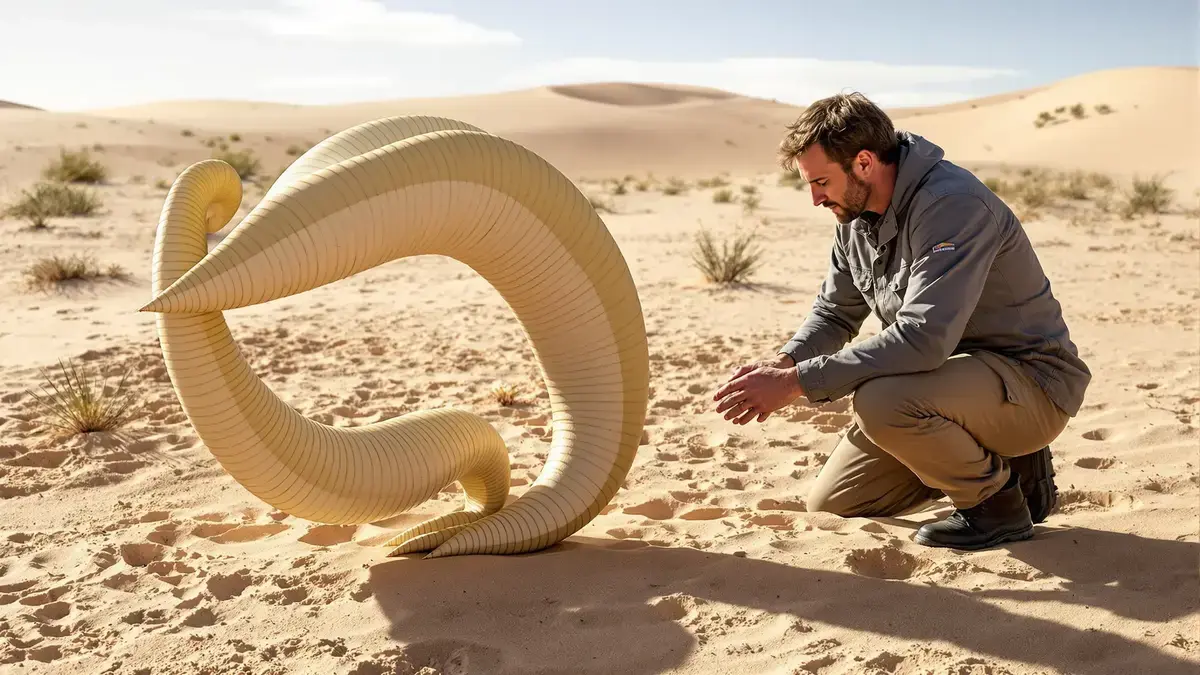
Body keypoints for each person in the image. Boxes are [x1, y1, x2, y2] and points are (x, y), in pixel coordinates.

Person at [712, 92, 1091, 551]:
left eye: (821, 182)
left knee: (881, 400)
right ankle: (993, 459)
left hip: (1030, 384)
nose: (815, 198)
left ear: (865, 162)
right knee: (837, 499)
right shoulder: (853, 217)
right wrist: (782, 362)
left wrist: (796, 383)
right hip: (945, 384)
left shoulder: (952, 205)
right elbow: (835, 314)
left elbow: (923, 338)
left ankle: (997, 507)